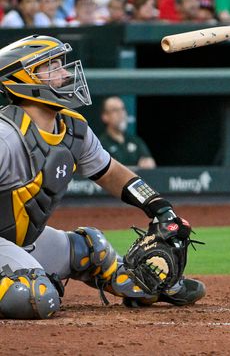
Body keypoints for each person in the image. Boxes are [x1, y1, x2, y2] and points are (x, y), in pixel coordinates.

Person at [0, 35, 204, 320]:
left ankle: (145, 286)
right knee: (35, 296)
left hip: (20, 241)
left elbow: (111, 173)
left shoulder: (73, 129)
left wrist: (160, 208)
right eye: (53, 67)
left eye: (62, 65)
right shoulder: (6, 136)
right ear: (23, 79)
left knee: (91, 247)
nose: (64, 74)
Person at [97, 96, 156, 169]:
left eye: (122, 109)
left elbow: (149, 162)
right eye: (115, 110)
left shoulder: (135, 140)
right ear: (105, 116)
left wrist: (148, 162)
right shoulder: (100, 144)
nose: (121, 113)